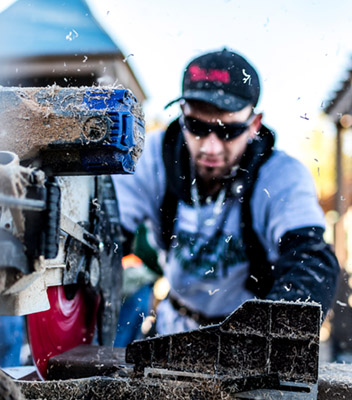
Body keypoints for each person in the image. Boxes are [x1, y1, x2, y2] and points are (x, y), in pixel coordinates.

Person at [112, 48, 340, 336]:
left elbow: (311, 259)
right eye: (196, 126)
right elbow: (105, 236)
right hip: (173, 326)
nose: (211, 147)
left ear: (254, 125)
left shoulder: (281, 175)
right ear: (183, 116)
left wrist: (274, 335)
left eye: (228, 131)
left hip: (247, 331)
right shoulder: (153, 158)